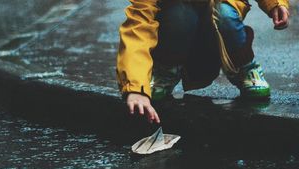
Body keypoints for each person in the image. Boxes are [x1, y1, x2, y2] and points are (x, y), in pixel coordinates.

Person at [116, 0, 290, 124]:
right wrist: (136, 87)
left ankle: (244, 66)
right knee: (180, 15)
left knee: (225, 13)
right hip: (179, 33)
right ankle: (165, 70)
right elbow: (138, 27)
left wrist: (276, 3)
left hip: (218, 32)